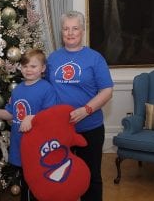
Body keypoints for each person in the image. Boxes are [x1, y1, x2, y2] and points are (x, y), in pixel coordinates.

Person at [46, 11, 113, 201]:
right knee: (60, 175)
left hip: (89, 128)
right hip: (59, 130)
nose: (70, 33)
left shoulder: (95, 58)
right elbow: (43, 89)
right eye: (66, 28)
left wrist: (86, 110)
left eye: (75, 28)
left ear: (83, 30)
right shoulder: (52, 59)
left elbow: (107, 91)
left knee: (91, 177)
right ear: (61, 32)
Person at [0, 49, 58, 201]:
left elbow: (51, 117)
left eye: (33, 66)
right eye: (25, 66)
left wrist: (32, 118)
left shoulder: (47, 89)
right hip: (20, 145)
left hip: (38, 147)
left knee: (38, 185)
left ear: (43, 69)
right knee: (26, 183)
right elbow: (11, 114)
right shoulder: (18, 90)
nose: (29, 70)